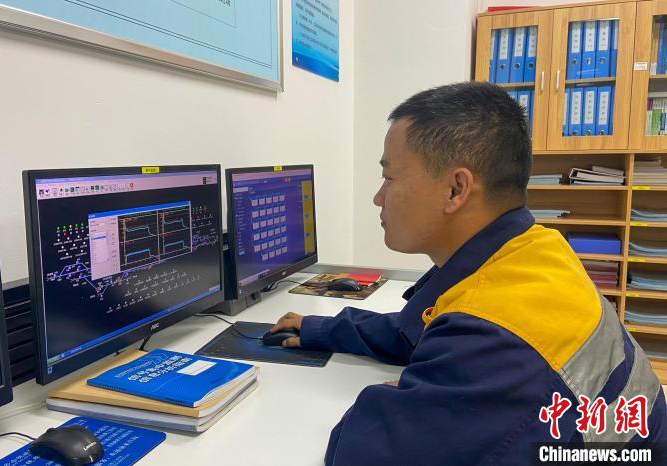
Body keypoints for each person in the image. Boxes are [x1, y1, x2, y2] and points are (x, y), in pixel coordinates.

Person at [270, 82, 666, 465]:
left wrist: (407, 397)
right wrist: (324, 329)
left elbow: (362, 451)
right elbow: (421, 329)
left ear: (456, 189)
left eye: (389, 177)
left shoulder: (496, 343)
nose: (378, 197)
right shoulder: (533, 248)